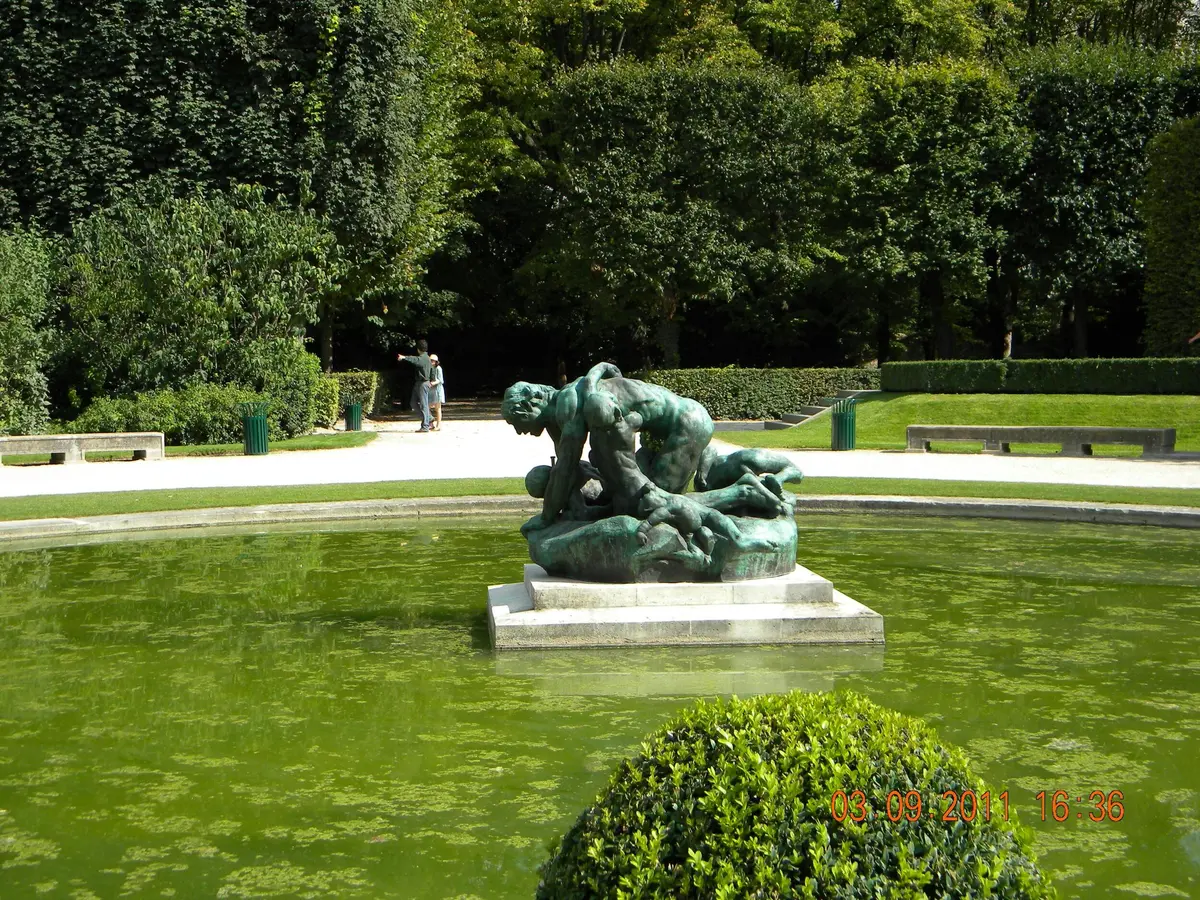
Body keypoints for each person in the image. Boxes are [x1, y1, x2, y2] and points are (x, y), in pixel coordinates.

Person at [501, 362, 713, 526]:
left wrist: (546, 518)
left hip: (689, 423)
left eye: (515, 421)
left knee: (655, 505)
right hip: (664, 432)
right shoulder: (559, 418)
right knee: (641, 501)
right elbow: (567, 471)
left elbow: (564, 470)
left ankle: (740, 494)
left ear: (532, 402)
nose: (519, 431)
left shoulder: (569, 402)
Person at [397, 339, 433, 432]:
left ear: (418, 349)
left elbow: (415, 360)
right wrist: (431, 380)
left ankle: (425, 426)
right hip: (420, 383)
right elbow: (432, 371)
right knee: (413, 403)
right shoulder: (427, 358)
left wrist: (404, 357)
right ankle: (428, 418)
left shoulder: (423, 358)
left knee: (423, 405)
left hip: (422, 384)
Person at [427, 354, 445, 431]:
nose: (432, 362)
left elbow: (441, 380)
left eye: (433, 361)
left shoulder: (438, 368)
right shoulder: (429, 368)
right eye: (430, 360)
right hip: (431, 390)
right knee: (426, 407)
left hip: (437, 390)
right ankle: (431, 424)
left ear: (436, 362)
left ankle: (438, 425)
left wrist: (432, 383)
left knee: (438, 408)